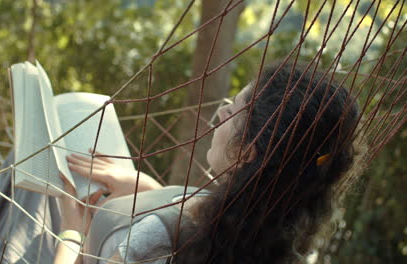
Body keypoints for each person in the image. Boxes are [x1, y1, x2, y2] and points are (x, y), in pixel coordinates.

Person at [53, 61, 360, 264]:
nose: (221, 115)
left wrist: (73, 231)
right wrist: (148, 187)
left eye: (232, 111)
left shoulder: (155, 241)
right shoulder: (275, 240)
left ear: (247, 153)